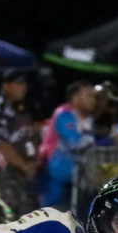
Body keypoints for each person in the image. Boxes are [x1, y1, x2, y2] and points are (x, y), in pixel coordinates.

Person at [0, 69, 40, 217]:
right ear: (6, 86)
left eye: (24, 83)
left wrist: (33, 160)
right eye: (18, 84)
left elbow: (30, 134)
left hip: (27, 170)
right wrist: (24, 165)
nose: (23, 87)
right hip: (9, 173)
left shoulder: (24, 107)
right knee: (13, 215)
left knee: (31, 213)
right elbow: (1, 143)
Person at [39, 80, 97, 210]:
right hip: (56, 169)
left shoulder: (88, 118)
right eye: (89, 96)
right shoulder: (64, 115)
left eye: (94, 96)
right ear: (75, 98)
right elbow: (76, 144)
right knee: (51, 210)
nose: (93, 100)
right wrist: (109, 140)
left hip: (78, 173)